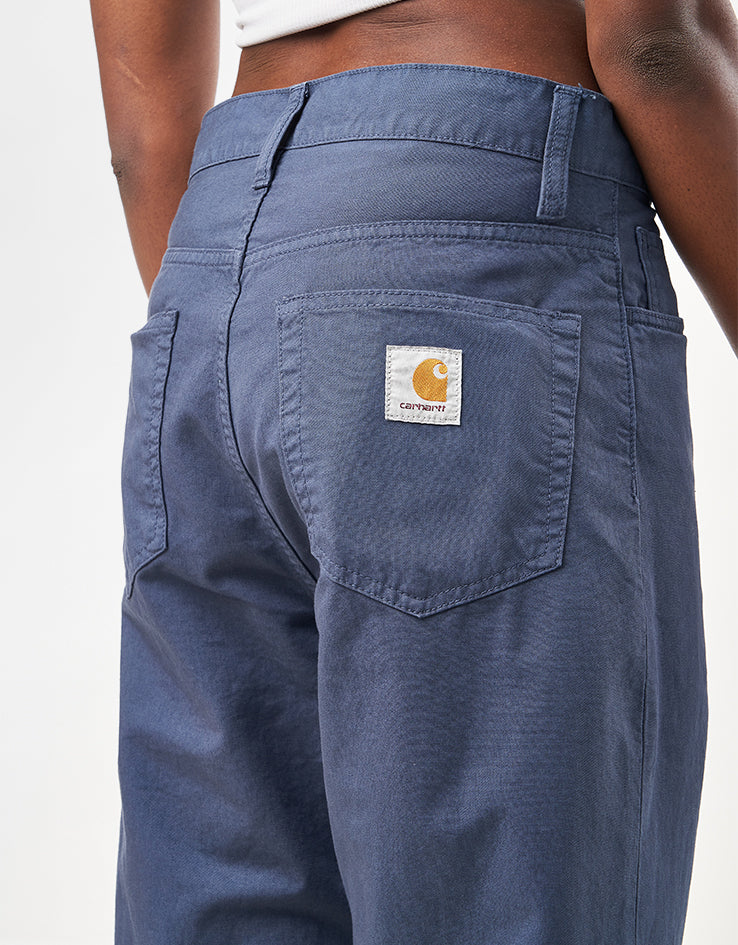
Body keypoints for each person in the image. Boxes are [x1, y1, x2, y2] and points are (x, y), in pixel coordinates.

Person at [90, 1, 737, 943]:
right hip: (478, 226)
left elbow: (143, 132)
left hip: (217, 269)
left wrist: (275, 334)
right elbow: (653, 41)